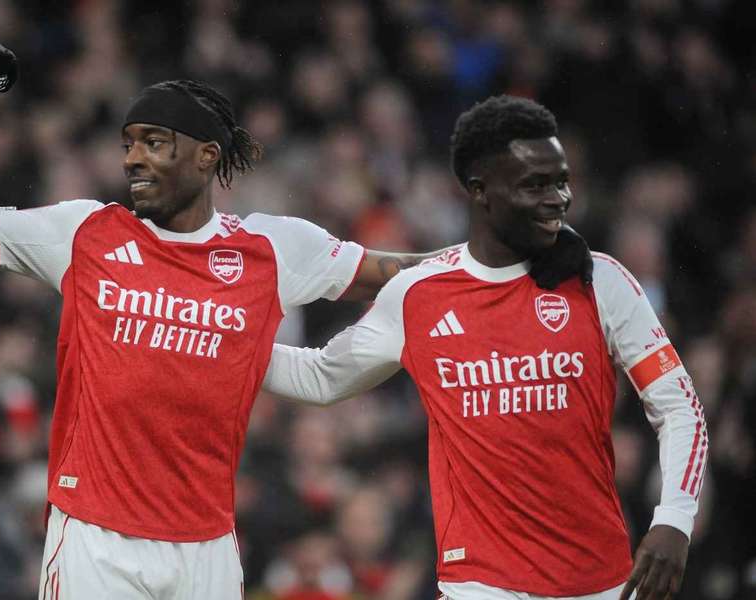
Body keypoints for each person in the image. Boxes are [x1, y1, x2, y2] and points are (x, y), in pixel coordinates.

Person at [0, 40, 589, 599]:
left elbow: (397, 271)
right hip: (96, 538)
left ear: (207, 157)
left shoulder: (270, 248)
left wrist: (513, 252)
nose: (132, 158)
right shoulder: (86, 232)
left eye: (153, 142)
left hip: (205, 546)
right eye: (127, 144)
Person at [264, 95, 707, 600]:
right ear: (480, 191)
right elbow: (322, 377)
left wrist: (674, 518)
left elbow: (679, 407)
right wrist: (229, 343)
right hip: (478, 585)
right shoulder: (418, 295)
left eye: (561, 181)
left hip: (598, 580)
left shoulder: (599, 280)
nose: (558, 198)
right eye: (534, 185)